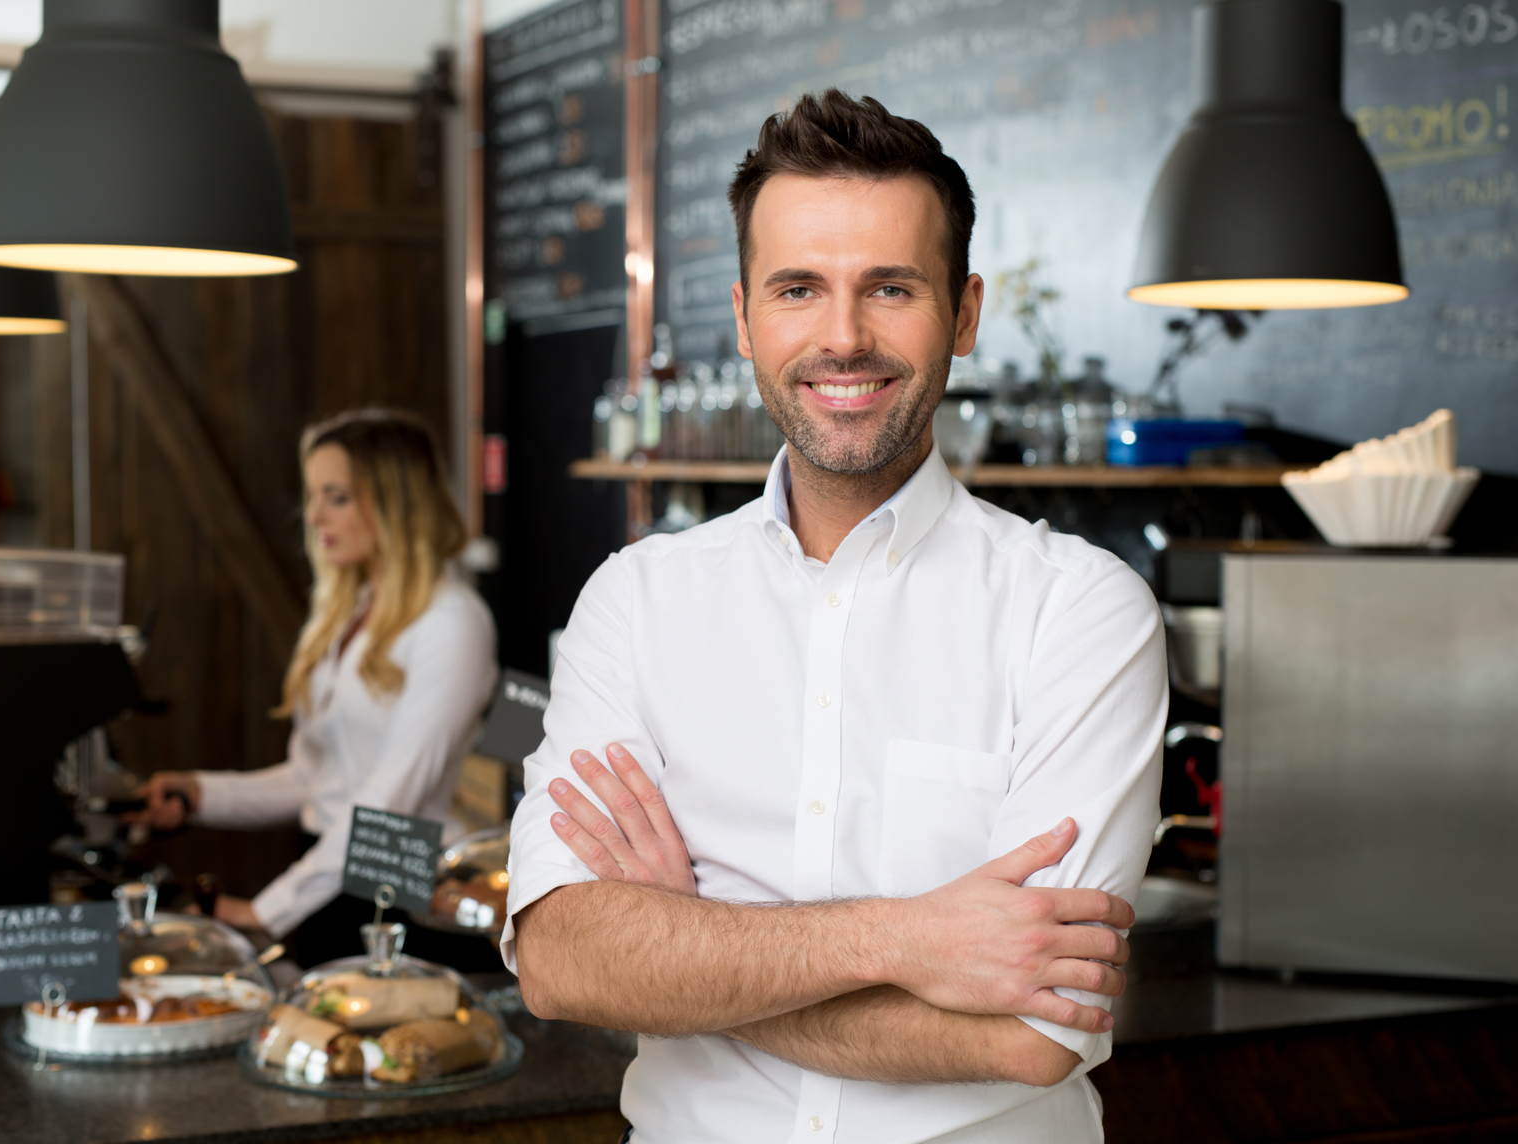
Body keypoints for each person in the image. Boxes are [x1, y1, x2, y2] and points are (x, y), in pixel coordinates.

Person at [505, 91, 1164, 1142]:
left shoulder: (1079, 611)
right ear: (744, 317)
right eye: (798, 288)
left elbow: (1031, 1035)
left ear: (963, 310)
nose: (842, 337)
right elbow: (561, 960)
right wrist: (908, 938)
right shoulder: (635, 600)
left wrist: (691, 948)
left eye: (890, 287)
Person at [134, 409, 498, 968]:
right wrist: (200, 795)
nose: (313, 515)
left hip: (401, 895)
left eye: (337, 497)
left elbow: (388, 807)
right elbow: (314, 777)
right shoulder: (351, 610)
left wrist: (267, 911)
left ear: (396, 502)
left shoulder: (452, 623)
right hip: (329, 877)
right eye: (312, 495)